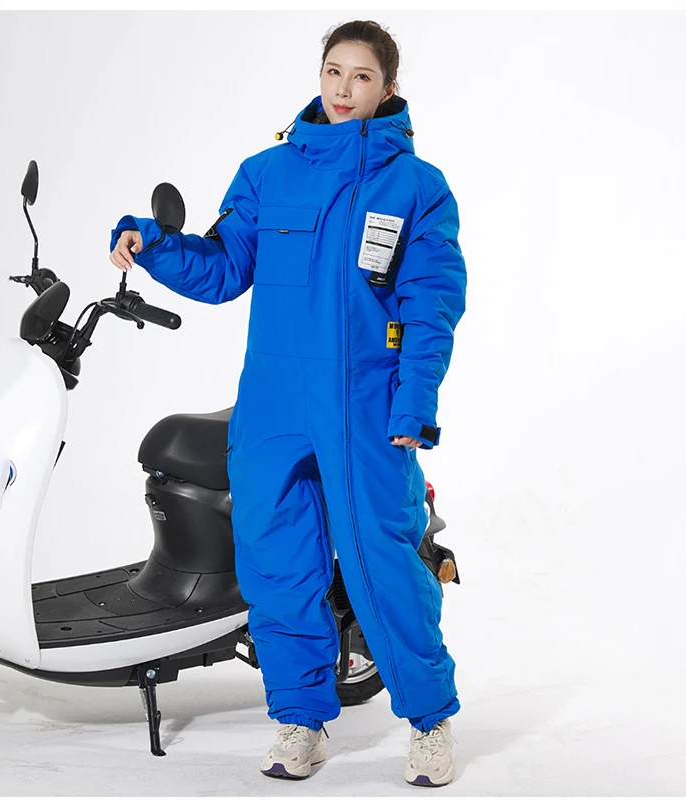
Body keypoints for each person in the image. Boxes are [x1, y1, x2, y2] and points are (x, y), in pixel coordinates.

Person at [109, 19, 467, 788]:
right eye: (333, 71)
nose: (343, 88)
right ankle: (300, 721)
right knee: (277, 567)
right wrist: (156, 244)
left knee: (381, 563)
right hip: (272, 404)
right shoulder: (268, 173)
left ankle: (430, 721)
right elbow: (223, 268)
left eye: (361, 76)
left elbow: (432, 304)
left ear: (388, 88)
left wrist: (414, 402)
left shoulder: (416, 187)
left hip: (365, 405)